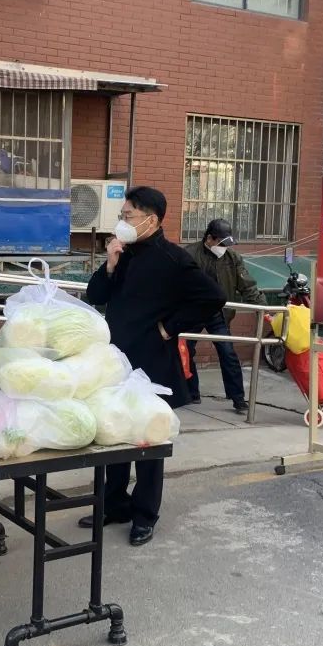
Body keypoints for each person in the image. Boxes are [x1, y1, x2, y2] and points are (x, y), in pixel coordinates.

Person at [80, 187, 225, 547]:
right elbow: (95, 296)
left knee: (147, 439)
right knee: (113, 432)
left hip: (152, 362)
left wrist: (169, 327)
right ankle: (114, 503)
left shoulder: (173, 259)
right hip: (116, 361)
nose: (122, 221)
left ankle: (144, 515)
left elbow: (213, 297)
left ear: (152, 220)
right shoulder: (124, 252)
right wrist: (110, 264)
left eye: (128, 215)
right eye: (122, 215)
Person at [185, 219, 267, 413]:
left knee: (228, 353)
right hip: (192, 312)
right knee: (186, 350)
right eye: (221, 243)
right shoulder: (189, 254)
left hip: (219, 313)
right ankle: (191, 392)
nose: (224, 248)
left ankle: (238, 399)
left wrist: (264, 308)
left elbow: (247, 285)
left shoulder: (232, 258)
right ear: (209, 239)